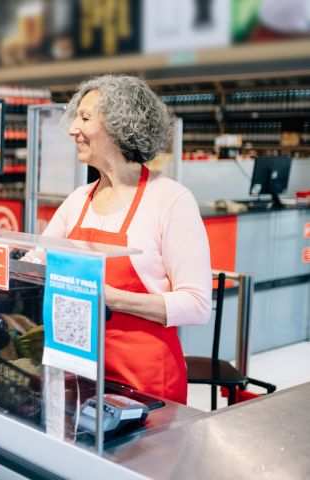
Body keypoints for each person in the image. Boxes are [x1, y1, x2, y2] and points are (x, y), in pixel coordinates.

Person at [43, 75, 211, 404]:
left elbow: (197, 305)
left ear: (121, 126)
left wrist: (109, 298)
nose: (72, 128)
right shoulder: (78, 200)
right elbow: (35, 263)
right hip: (80, 373)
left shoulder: (170, 200)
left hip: (146, 382)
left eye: (85, 117)